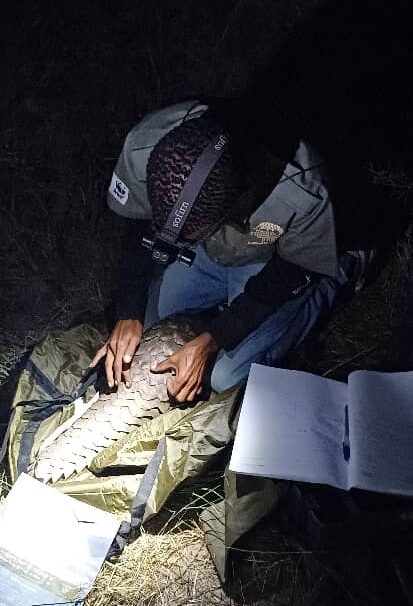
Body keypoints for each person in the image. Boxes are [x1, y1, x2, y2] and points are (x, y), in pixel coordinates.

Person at [91, 99, 371, 402]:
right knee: (161, 316)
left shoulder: (300, 193)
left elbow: (284, 277)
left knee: (225, 376)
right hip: (213, 250)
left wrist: (213, 339)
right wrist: (128, 312)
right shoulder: (144, 145)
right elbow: (136, 226)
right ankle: (219, 300)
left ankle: (341, 272)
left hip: (277, 257)